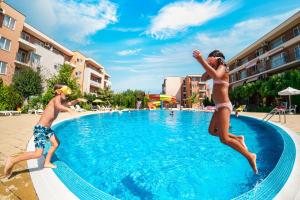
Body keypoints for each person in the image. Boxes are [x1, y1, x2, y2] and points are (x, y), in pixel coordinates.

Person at [193, 50, 258, 174]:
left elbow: (217, 76)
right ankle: (238, 137)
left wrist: (201, 60)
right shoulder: (214, 69)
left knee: (224, 138)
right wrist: (209, 65)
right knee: (212, 131)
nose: (207, 60)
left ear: (216, 57)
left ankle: (250, 156)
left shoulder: (223, 67)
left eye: (209, 58)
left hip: (224, 106)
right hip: (218, 106)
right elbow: (203, 78)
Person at [3, 84, 86, 177]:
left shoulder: (59, 101)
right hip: (40, 129)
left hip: (47, 129)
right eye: (66, 95)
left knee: (56, 144)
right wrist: (69, 110)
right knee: (38, 153)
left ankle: (46, 163)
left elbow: (69, 103)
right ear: (59, 92)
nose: (67, 97)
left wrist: (77, 100)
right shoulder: (56, 100)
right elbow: (59, 106)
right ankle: (12, 160)